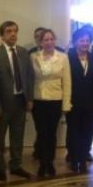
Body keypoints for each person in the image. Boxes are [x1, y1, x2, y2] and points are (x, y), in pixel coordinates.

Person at [0, 20, 34, 180]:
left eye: (15, 31)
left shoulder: (23, 52)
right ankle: (0, 167)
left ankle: (16, 165)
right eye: (9, 31)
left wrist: (30, 98)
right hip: (2, 103)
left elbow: (29, 77)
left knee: (17, 136)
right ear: (2, 35)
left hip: (20, 101)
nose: (13, 34)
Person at [31, 29, 72, 177]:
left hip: (55, 101)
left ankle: (50, 162)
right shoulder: (33, 57)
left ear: (55, 40)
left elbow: (67, 82)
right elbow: (29, 80)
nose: (49, 42)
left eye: (51, 39)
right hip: (38, 100)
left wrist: (66, 104)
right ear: (40, 42)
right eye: (45, 40)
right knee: (41, 132)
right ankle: (43, 163)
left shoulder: (63, 57)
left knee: (51, 133)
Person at [66, 27, 93, 173]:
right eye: (82, 40)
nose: (85, 43)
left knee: (88, 130)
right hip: (73, 101)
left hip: (90, 102)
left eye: (87, 40)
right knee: (73, 130)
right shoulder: (67, 57)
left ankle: (83, 157)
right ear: (75, 42)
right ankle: (74, 158)